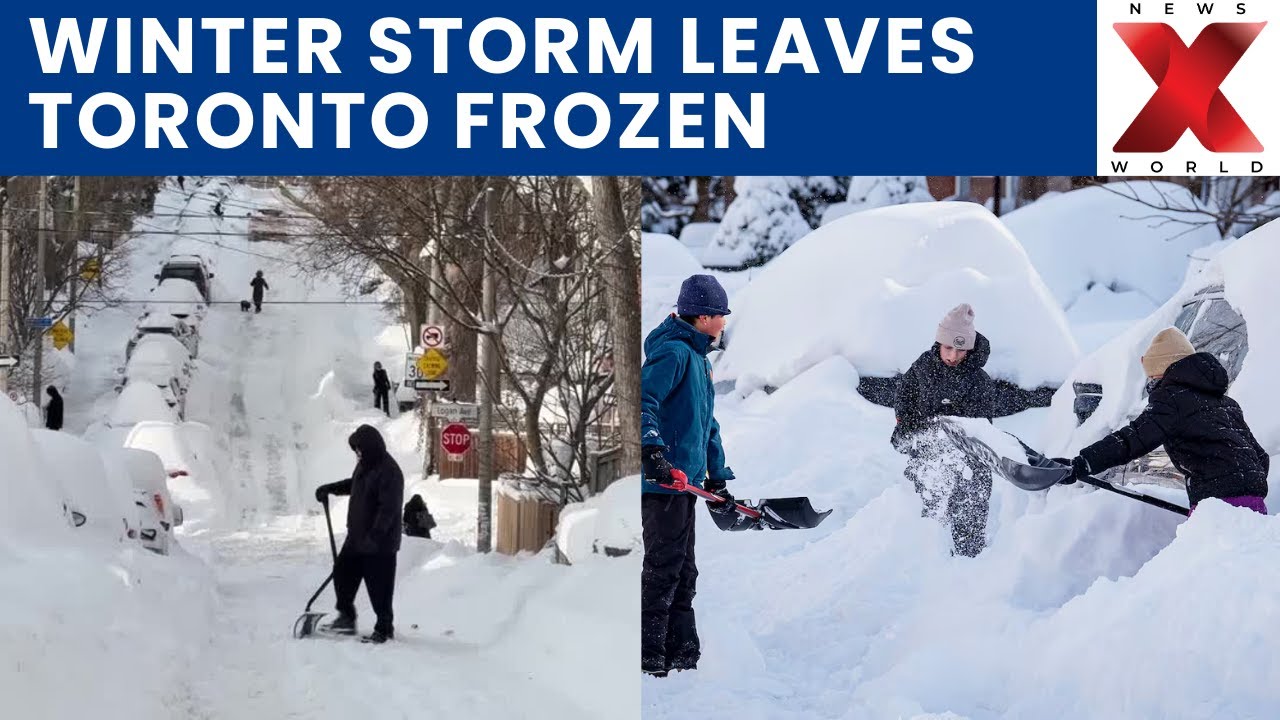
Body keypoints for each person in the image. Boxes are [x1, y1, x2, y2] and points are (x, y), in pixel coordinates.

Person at [892, 303, 1052, 557]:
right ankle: (924, 561)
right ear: (938, 344)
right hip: (927, 456)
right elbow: (905, 396)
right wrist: (906, 425)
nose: (953, 356)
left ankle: (968, 563)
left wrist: (950, 426)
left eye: (960, 349)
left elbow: (980, 427)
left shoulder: (979, 382)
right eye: (948, 348)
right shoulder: (922, 367)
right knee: (928, 513)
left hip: (969, 463)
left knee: (969, 510)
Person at [1061, 327, 1269, 514]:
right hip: (1255, 501)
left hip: (1219, 504)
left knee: (1204, 558)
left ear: (1162, 371)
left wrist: (1082, 464)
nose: (1151, 384)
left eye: (1152, 378)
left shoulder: (1172, 398)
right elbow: (1261, 457)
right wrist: (1242, 484)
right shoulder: (1226, 402)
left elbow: (1132, 439)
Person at [640, 274, 736, 678]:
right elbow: (643, 401)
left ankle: (683, 655)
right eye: (719, 316)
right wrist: (652, 453)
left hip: (685, 483)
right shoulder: (674, 355)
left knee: (683, 571)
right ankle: (650, 657)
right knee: (664, 570)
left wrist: (717, 474)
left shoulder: (699, 361)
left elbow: (706, 424)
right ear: (701, 317)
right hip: (662, 482)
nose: (723, 324)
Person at [313, 424, 405, 643]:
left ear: (371, 447)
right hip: (356, 537)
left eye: (360, 449)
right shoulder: (365, 465)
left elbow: (388, 510)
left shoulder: (390, 471)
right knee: (342, 574)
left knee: (379, 589)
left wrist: (374, 538)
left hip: (379, 544)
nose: (357, 454)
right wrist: (329, 488)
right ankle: (346, 618)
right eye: (356, 450)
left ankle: (384, 628)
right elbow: (354, 485)